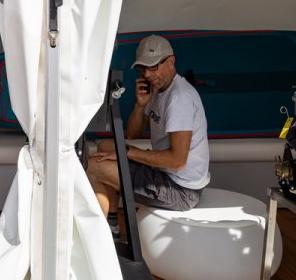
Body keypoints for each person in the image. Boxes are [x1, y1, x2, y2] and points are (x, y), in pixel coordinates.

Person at [87, 34, 210, 223]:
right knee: (105, 146)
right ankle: (113, 225)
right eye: (143, 68)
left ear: (171, 62)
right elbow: (132, 134)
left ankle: (100, 238)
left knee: (93, 166)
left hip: (180, 190)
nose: (147, 74)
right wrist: (140, 104)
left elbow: (177, 161)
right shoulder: (159, 91)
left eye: (153, 67)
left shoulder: (179, 98)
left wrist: (128, 153)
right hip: (166, 174)